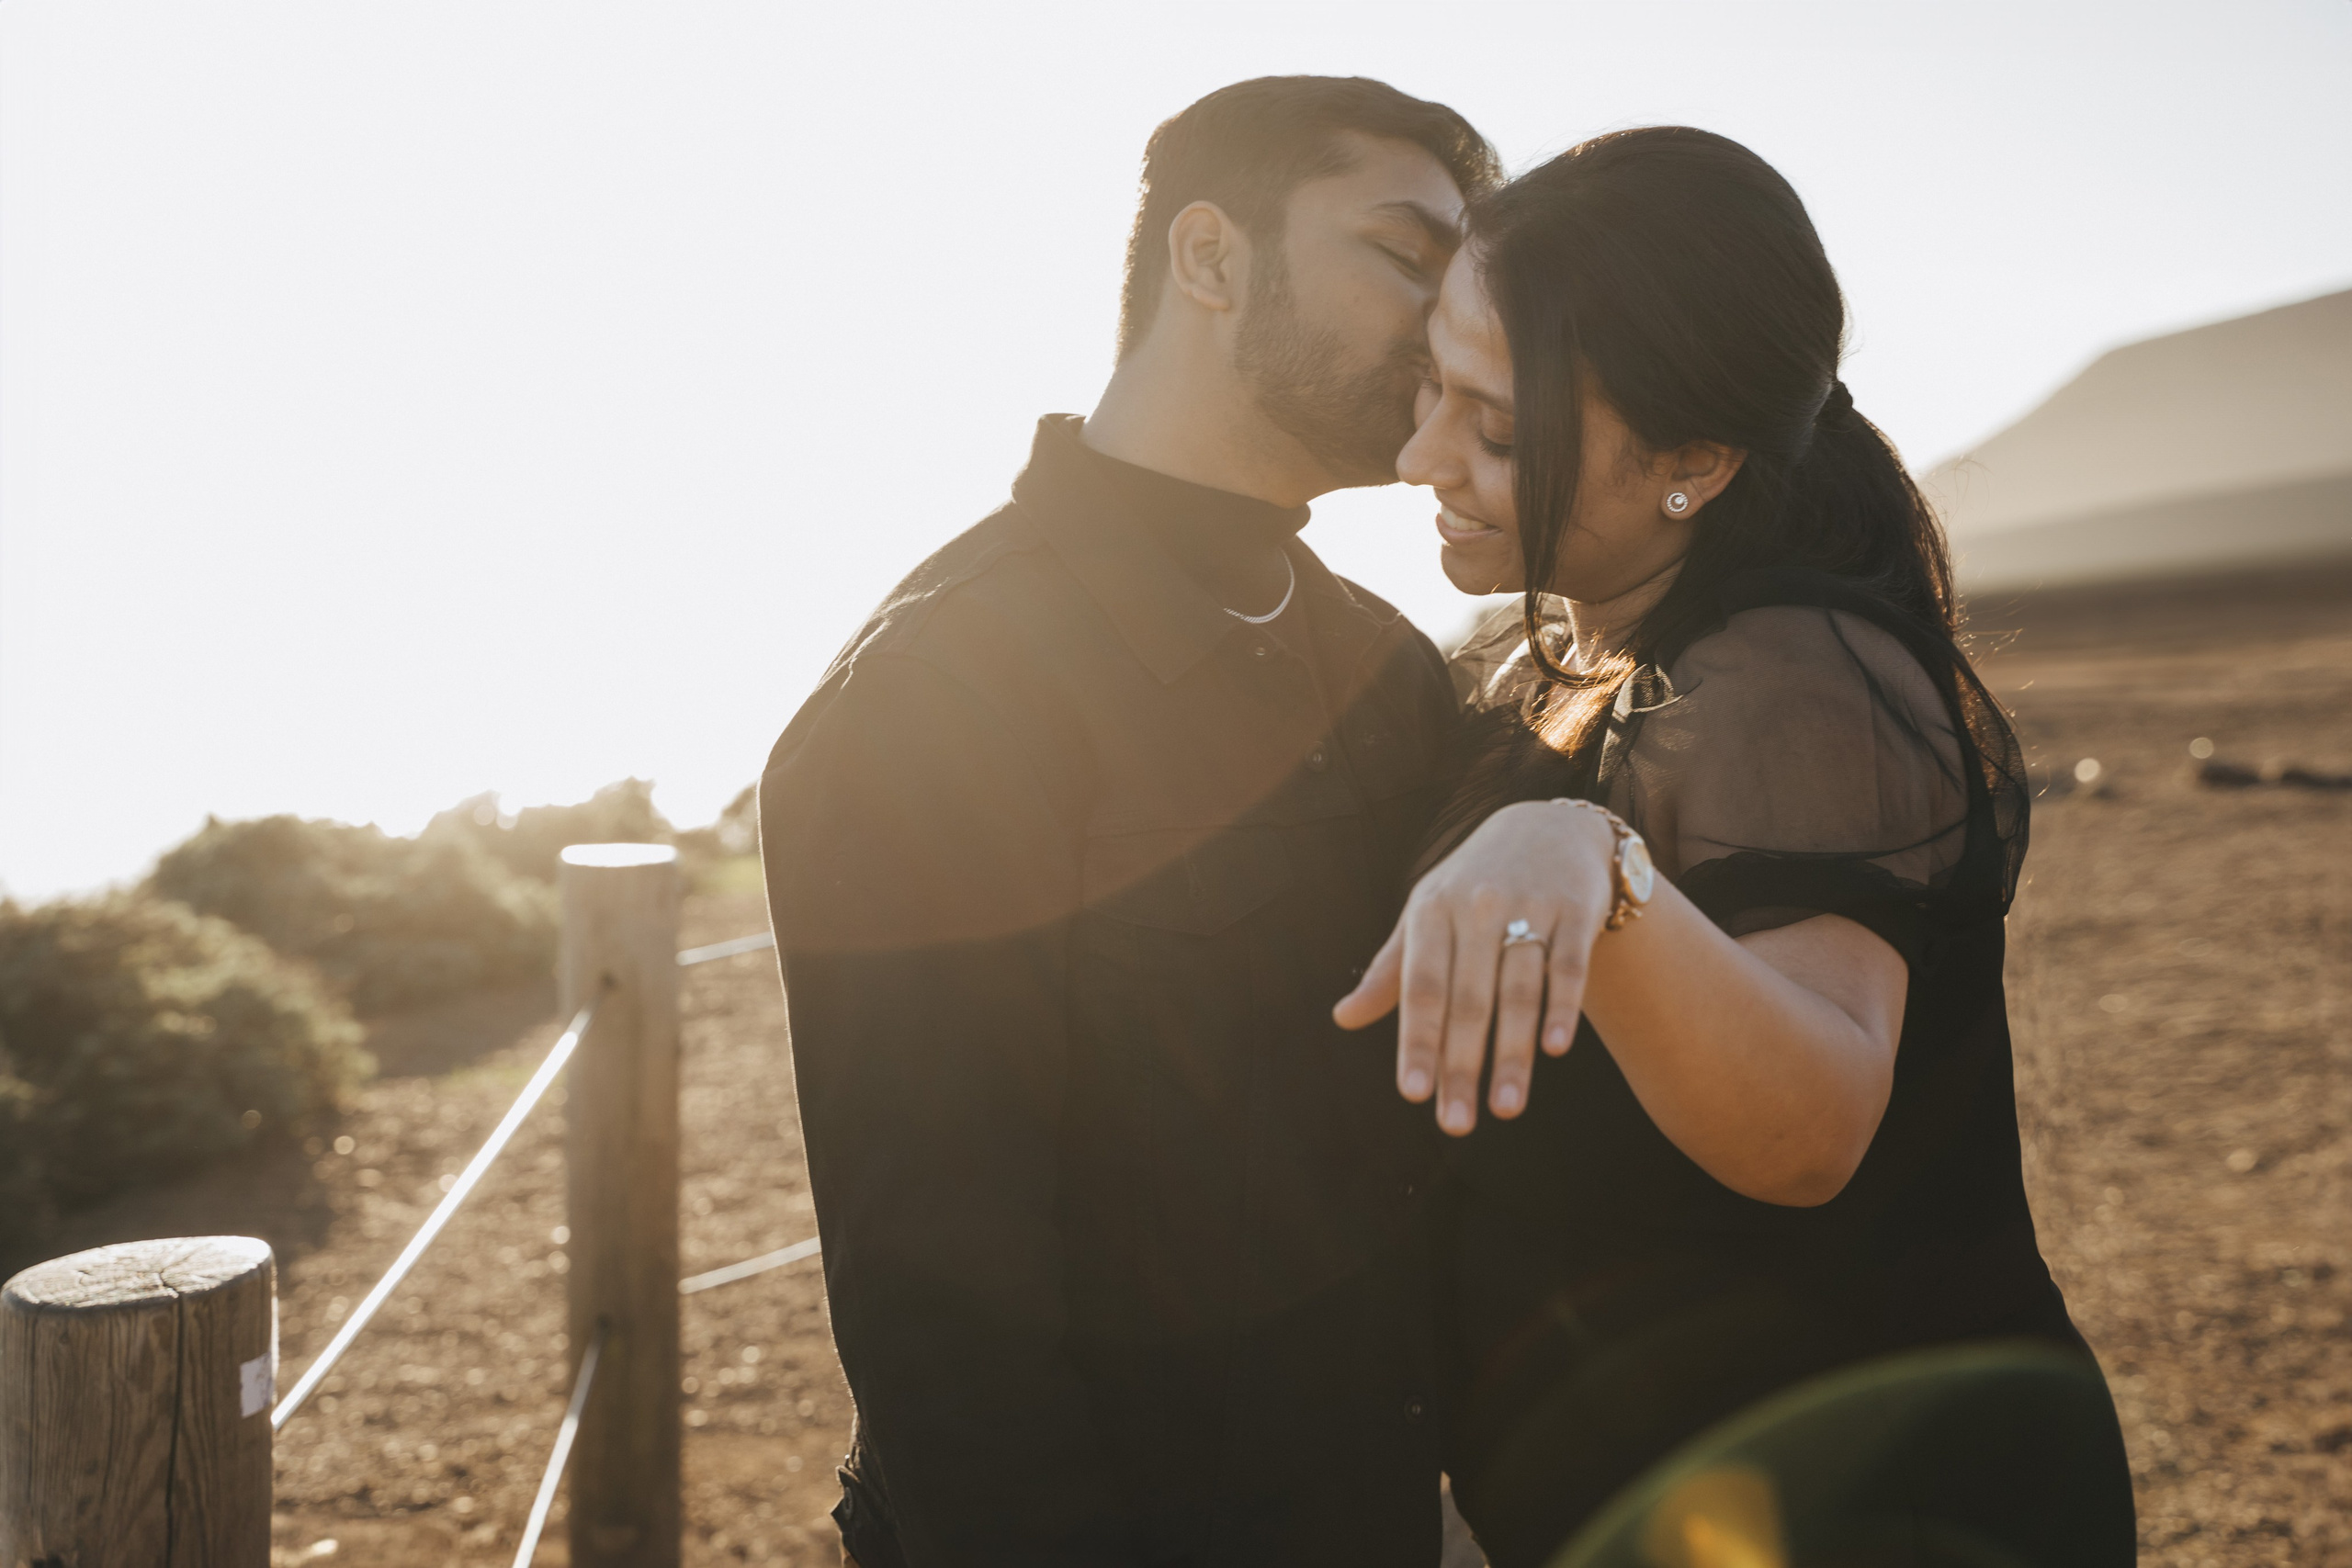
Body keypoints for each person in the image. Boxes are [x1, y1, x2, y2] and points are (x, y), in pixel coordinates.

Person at [1331, 128, 2136, 1566]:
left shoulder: (1787, 677)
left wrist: (1596, 866)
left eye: (1498, 429)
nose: (1418, 457)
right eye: (1428, 387)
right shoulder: (1582, 644)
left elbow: (1811, 1124)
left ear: (1695, 461)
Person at [759, 77, 1498, 1567]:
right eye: (1406, 258)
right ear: (1212, 260)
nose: (1448, 328)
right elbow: (944, 1322)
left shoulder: (1384, 665)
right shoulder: (945, 690)